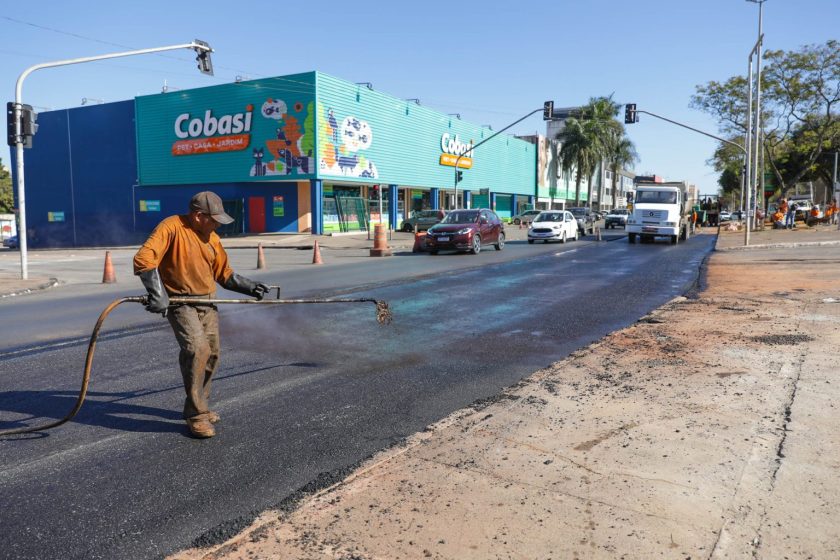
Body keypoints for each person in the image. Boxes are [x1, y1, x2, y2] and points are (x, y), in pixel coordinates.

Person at [134, 191, 269, 438]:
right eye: (214, 219)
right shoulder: (171, 227)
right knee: (197, 350)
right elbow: (145, 259)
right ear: (198, 216)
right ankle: (196, 416)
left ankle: (199, 406)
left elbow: (224, 273)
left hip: (207, 303)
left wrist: (249, 286)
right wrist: (157, 293)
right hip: (181, 302)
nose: (217, 224)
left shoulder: (212, 238)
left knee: (212, 355)